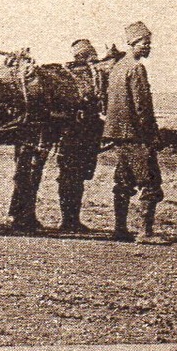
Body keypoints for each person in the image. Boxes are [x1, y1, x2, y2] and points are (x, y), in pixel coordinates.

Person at [105, 21, 167, 245]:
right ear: (132, 44)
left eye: (149, 42)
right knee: (150, 182)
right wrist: (152, 134)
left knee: (123, 181)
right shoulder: (136, 68)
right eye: (144, 43)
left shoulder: (117, 68)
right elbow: (142, 106)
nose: (148, 47)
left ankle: (120, 229)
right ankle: (145, 232)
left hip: (119, 135)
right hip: (137, 136)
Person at [55, 38, 108, 234]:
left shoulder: (87, 74)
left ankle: (71, 220)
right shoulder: (74, 75)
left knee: (75, 177)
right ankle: (69, 221)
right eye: (90, 53)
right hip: (75, 134)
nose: (93, 57)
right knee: (72, 177)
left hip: (82, 133)